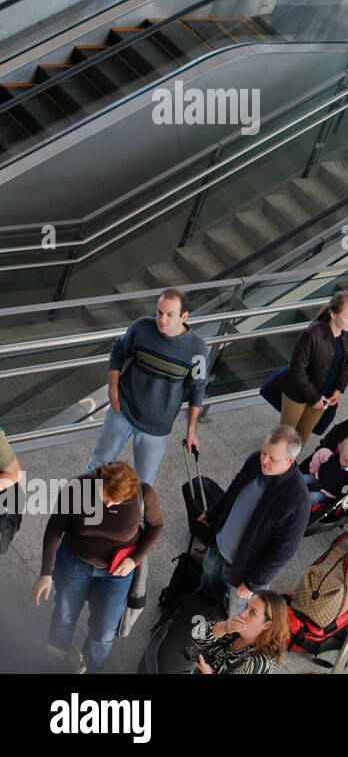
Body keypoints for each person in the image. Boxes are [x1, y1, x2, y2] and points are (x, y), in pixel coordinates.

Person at [34, 462, 163, 673]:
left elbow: (156, 526)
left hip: (116, 573)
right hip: (75, 562)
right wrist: (45, 573)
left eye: (116, 501)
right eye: (105, 498)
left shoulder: (144, 494)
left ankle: (92, 667)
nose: (109, 505)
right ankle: (55, 658)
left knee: (104, 632)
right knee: (64, 615)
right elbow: (54, 528)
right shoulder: (78, 487)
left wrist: (134, 559)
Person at [86, 288, 207, 485]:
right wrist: (113, 390)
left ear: (184, 316)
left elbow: (197, 389)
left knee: (144, 484)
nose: (162, 320)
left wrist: (191, 430)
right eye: (159, 312)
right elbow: (118, 350)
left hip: (156, 425)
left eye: (170, 315)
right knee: (98, 466)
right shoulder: (141, 328)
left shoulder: (197, 349)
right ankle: (81, 510)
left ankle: (137, 517)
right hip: (122, 410)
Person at [198, 426, 310, 618]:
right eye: (264, 453)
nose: (264, 460)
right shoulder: (254, 461)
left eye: (272, 458)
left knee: (238, 619)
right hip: (218, 550)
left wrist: (253, 583)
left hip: (245, 571)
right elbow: (233, 491)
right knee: (204, 600)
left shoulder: (297, 498)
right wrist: (213, 514)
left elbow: (283, 550)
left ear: (290, 461)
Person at [280, 291, 348, 444]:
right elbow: (297, 370)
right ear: (333, 314)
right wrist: (314, 398)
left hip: (325, 394)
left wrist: (338, 388)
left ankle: (288, 466)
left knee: (301, 437)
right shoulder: (312, 333)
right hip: (298, 392)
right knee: (285, 437)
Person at [192, 590, 290, 675]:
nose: (242, 614)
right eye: (246, 607)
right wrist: (223, 627)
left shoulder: (257, 664)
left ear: (267, 625)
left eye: (252, 613)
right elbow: (196, 637)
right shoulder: (233, 630)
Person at [303, 436, 348, 509]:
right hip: (318, 478)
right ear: (340, 452)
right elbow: (320, 454)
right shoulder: (331, 457)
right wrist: (313, 470)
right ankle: (288, 487)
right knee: (302, 478)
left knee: (312, 497)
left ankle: (298, 508)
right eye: (345, 460)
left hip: (329, 494)